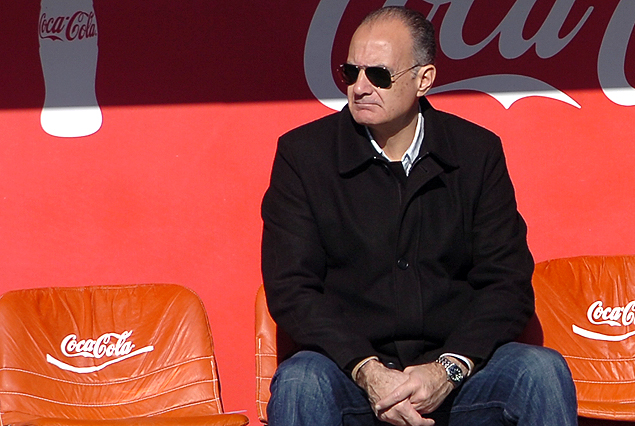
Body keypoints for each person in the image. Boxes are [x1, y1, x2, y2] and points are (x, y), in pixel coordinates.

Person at [261, 6, 577, 426]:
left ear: (424, 79)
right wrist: (367, 370)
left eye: (379, 75)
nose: (360, 87)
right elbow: (291, 288)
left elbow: (507, 283)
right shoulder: (304, 156)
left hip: (456, 375)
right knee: (300, 381)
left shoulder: (476, 153)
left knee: (540, 371)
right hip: (349, 372)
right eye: (350, 72)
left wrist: (447, 370)